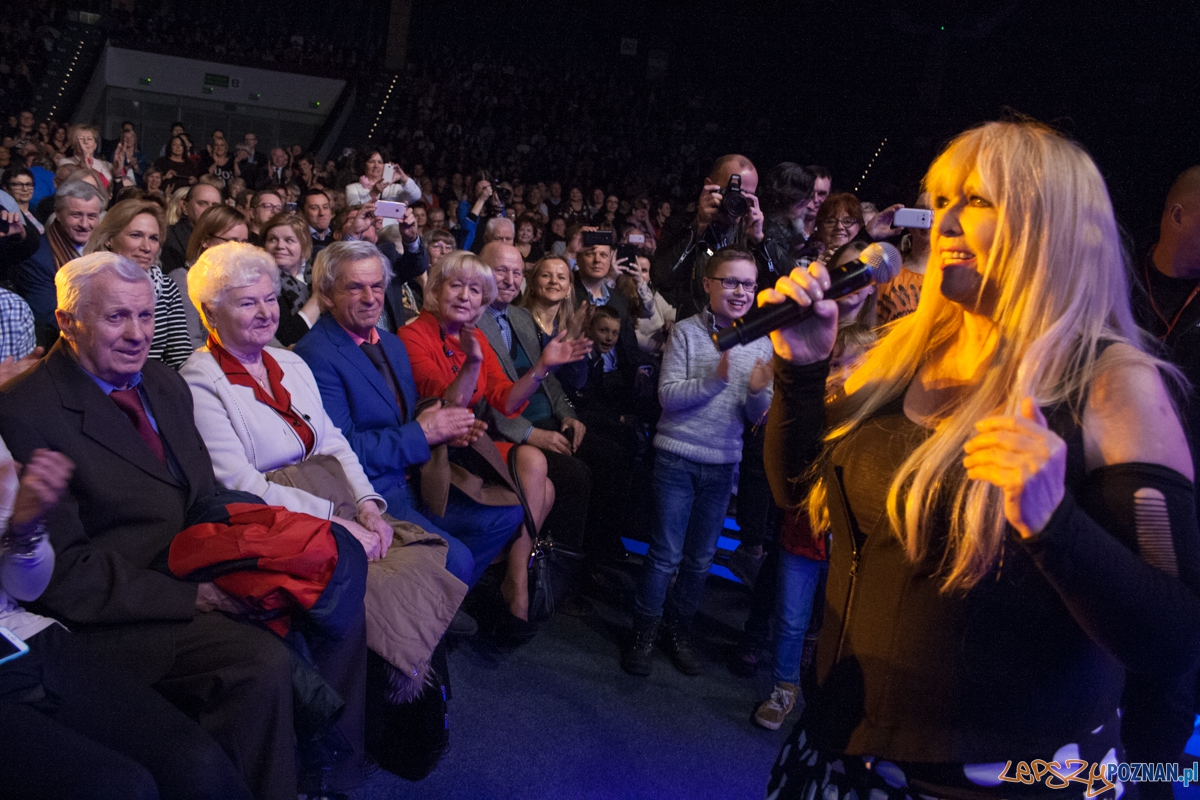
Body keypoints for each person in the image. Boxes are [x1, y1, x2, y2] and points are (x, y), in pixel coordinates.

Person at [762, 121, 1200, 799]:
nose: (945, 222)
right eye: (940, 202)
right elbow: (797, 492)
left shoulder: (1113, 385)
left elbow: (1175, 645)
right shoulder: (899, 352)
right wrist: (800, 371)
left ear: (1049, 225)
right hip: (838, 754)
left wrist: (1056, 525)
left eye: (978, 201)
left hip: (999, 781)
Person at [0, 251, 368, 799]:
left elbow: (205, 496)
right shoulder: (27, 410)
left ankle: (326, 770)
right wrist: (196, 596)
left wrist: (257, 552)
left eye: (146, 316)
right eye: (116, 317)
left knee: (332, 579)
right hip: (124, 608)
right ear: (66, 323)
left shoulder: (163, 382)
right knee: (257, 662)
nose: (137, 334)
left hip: (199, 556)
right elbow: (67, 573)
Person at [180, 242, 465, 695]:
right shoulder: (197, 380)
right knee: (369, 582)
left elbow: (333, 442)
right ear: (211, 312)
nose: (265, 312)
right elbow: (240, 483)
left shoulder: (290, 362)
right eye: (247, 302)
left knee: (424, 559)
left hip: (336, 500)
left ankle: (402, 701)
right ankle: (375, 707)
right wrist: (338, 521)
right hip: (276, 523)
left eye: (270, 299)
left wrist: (370, 505)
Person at [0, 440, 256, 799]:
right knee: (120, 786)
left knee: (195, 762)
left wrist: (26, 531)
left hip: (18, 632)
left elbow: (25, 588)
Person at [292, 241, 525, 594]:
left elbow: (412, 415)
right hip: (374, 494)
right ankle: (431, 617)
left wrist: (448, 429)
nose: (370, 297)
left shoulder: (390, 342)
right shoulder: (316, 354)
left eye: (376, 286)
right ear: (326, 295)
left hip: (417, 479)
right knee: (455, 559)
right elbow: (341, 450)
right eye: (355, 287)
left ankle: (439, 606)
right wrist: (424, 433)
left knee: (506, 515)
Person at [397, 249, 588, 625]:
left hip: (474, 441)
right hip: (438, 450)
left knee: (544, 481)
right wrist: (472, 364)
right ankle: (513, 585)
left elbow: (504, 398)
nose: (466, 296)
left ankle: (507, 580)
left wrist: (542, 367)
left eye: (475, 290)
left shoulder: (474, 339)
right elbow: (448, 404)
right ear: (435, 289)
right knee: (540, 478)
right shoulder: (413, 335)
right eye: (457, 286)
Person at [622, 248, 774, 678]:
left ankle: (678, 628)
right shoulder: (688, 332)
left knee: (701, 559)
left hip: (723, 461)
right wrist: (716, 379)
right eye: (731, 281)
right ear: (709, 284)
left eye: (748, 283)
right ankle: (644, 631)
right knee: (665, 555)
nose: (740, 291)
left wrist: (761, 392)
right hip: (677, 456)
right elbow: (667, 397)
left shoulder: (760, 340)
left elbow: (754, 415)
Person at [651, 154, 766, 319]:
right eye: (731, 191)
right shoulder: (682, 224)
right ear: (709, 187)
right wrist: (698, 227)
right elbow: (662, 279)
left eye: (746, 196)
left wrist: (760, 242)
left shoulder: (754, 229)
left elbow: (781, 287)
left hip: (743, 334)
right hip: (694, 333)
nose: (737, 200)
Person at [82, 199, 193, 369]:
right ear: (109, 239)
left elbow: (180, 357)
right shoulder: (87, 284)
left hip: (154, 385)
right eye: (136, 235)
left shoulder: (166, 287)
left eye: (154, 238)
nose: (147, 247)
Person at [15, 180, 105, 346]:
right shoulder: (37, 258)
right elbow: (49, 319)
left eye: (92, 216)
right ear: (57, 212)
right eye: (76, 215)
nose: (84, 225)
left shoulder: (105, 250)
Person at [171, 205, 249, 347]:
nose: (240, 250)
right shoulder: (182, 280)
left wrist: (283, 351)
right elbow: (190, 344)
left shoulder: (243, 283)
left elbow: (259, 333)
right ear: (206, 240)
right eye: (232, 241)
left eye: (244, 243)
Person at [262, 212, 319, 346]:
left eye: (289, 240)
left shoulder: (316, 274)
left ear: (304, 245)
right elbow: (288, 336)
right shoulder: (263, 282)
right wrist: (318, 298)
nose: (280, 246)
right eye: (272, 239)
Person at [877, 192, 931, 324]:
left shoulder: (958, 276)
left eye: (936, 212)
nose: (929, 218)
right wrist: (868, 234)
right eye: (921, 212)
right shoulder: (887, 273)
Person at [161, 183, 223, 275]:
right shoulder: (168, 237)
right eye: (202, 203)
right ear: (185, 207)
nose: (209, 209)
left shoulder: (226, 239)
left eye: (215, 205)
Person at [345, 150, 421, 207]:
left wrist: (403, 177)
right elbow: (354, 209)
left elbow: (416, 196)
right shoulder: (352, 188)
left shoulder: (395, 188)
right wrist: (373, 193)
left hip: (391, 228)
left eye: (380, 162)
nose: (376, 166)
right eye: (371, 162)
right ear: (363, 164)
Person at [302, 188, 334, 257]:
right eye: (314, 208)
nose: (322, 213)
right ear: (303, 213)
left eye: (325, 207)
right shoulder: (299, 237)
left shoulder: (337, 234)